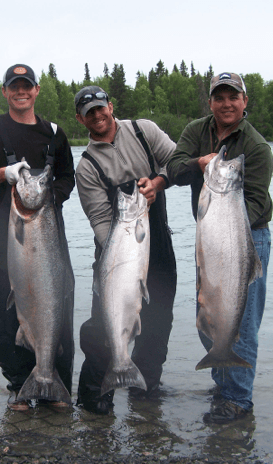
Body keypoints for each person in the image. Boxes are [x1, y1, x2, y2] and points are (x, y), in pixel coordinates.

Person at [167, 72, 273, 423]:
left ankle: (238, 401)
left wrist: (229, 222)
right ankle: (223, 383)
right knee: (206, 319)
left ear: (245, 101)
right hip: (210, 238)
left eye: (234, 97)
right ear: (211, 102)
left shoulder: (257, 148)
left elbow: (256, 205)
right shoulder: (196, 131)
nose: (226, 103)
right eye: (219, 97)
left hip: (248, 239)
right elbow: (173, 168)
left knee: (240, 324)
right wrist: (197, 164)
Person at [0, 64, 75, 410]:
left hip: (48, 238)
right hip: (5, 243)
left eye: (26, 86)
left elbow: (66, 179)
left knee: (57, 305)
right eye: (14, 86)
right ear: (5, 92)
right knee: (7, 311)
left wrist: (42, 195)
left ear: (37, 90)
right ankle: (18, 385)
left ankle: (55, 383)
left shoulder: (54, 132)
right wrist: (5, 173)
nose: (21, 91)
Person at [73, 85, 177, 415]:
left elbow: (179, 162)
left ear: (111, 106)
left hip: (159, 245)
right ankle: (94, 399)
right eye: (90, 113)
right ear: (81, 120)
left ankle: (145, 393)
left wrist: (158, 182)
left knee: (158, 323)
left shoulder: (143, 131)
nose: (98, 115)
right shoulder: (87, 167)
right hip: (116, 254)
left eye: (101, 108)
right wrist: (127, 253)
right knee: (104, 325)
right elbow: (101, 220)